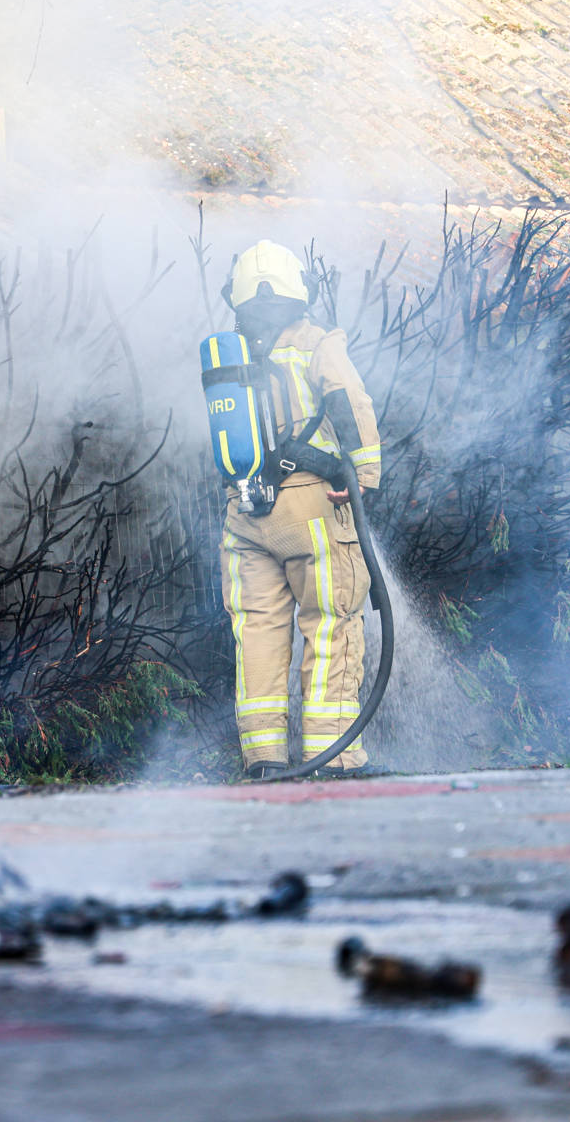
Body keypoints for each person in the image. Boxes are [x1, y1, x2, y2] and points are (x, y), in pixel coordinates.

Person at [218, 241, 384, 779]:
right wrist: (362, 477)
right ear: (298, 293)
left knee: (257, 629)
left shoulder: (227, 356)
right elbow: (350, 403)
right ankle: (330, 755)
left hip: (244, 511)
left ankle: (264, 758)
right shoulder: (317, 343)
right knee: (331, 621)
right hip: (314, 505)